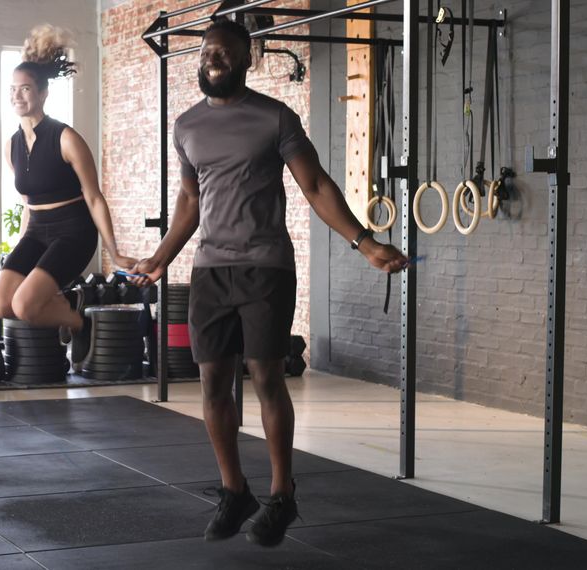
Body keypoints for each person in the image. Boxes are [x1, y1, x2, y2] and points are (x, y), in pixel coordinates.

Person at [128, 19, 408, 547]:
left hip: (265, 268)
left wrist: (365, 242)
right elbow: (190, 200)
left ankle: (282, 494)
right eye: (208, 51)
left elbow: (317, 184)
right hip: (210, 269)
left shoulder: (275, 117)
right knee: (210, 380)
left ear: (247, 58)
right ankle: (236, 492)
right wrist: (161, 257)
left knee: (265, 377)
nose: (214, 58)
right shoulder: (186, 126)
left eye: (225, 53)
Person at [0, 24, 136, 357]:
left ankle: (78, 320)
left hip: (73, 231)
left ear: (42, 94)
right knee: (0, 303)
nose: (17, 96)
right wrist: (21, 247)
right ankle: (71, 304)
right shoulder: (11, 145)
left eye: (25, 89)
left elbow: (94, 197)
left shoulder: (66, 138)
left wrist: (113, 252)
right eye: (12, 89)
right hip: (37, 231)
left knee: (26, 306)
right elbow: (28, 202)